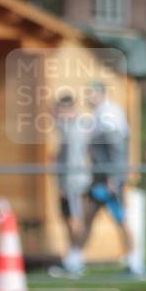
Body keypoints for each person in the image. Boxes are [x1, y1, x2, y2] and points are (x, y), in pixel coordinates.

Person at [81, 82, 146, 278]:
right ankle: (73, 261)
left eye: (90, 92)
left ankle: (135, 264)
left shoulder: (109, 114)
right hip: (98, 179)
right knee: (87, 218)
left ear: (101, 93)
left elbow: (116, 150)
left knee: (121, 219)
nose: (88, 96)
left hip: (109, 180)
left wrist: (113, 178)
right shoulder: (98, 114)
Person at [49, 92, 91, 278]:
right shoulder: (66, 127)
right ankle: (71, 259)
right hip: (66, 182)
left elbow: (73, 159)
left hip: (73, 182)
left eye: (59, 109)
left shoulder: (75, 130)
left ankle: (76, 260)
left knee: (75, 219)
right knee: (68, 219)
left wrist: (65, 184)